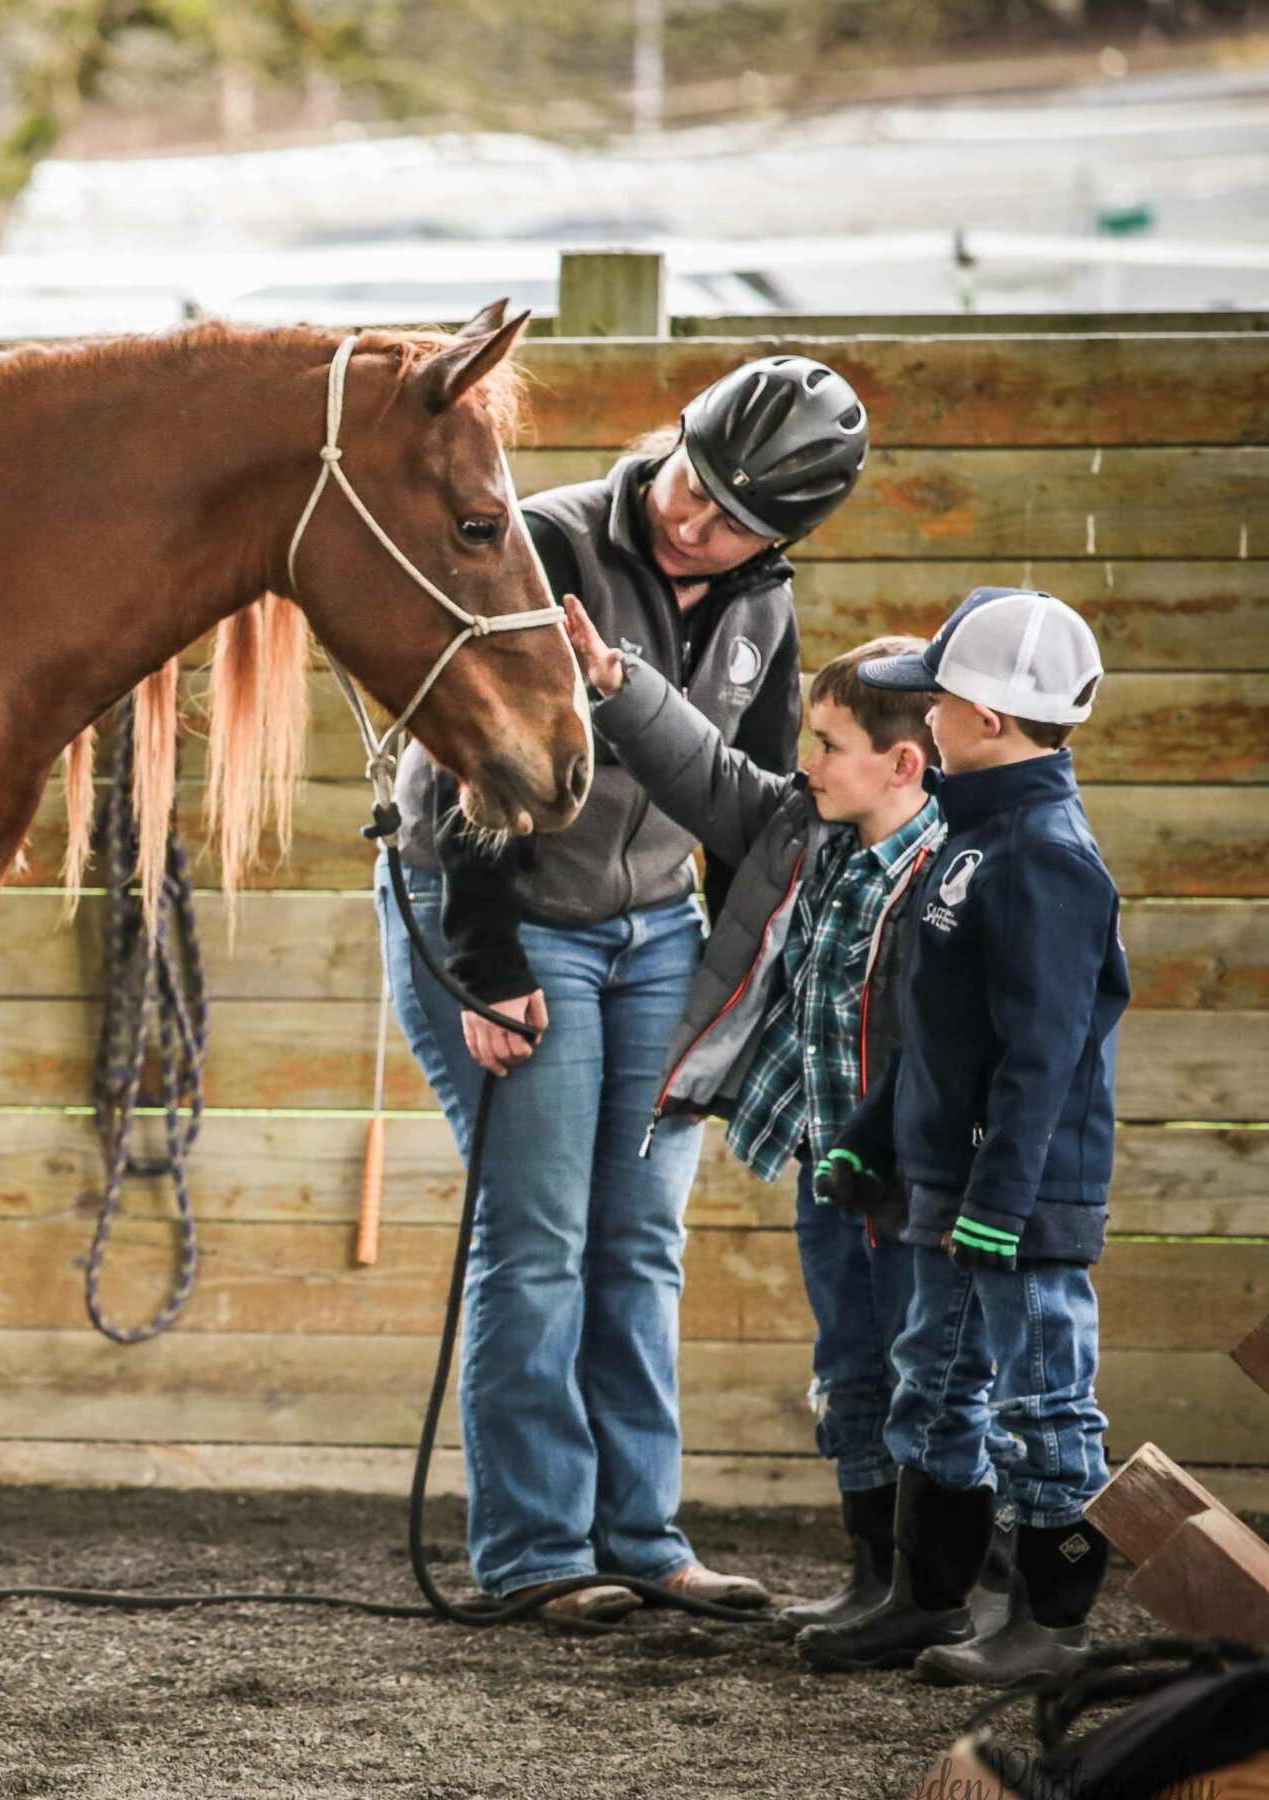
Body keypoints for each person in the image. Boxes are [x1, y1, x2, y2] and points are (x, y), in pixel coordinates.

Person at [377, 354, 869, 1621]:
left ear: (780, 539)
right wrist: (483, 969)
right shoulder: (543, 544)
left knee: (640, 1241)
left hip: (657, 934)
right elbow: (461, 757)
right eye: (691, 486)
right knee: (536, 1238)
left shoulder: (766, 612)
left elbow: (754, 817)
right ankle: (538, 1552)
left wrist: (740, 982)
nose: (690, 522)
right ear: (676, 442)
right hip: (508, 916)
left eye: (730, 522)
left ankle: (643, 1537)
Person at [557, 602, 992, 1641]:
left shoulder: (958, 873)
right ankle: (873, 1573)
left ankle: (940, 1590)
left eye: (828, 747)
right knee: (847, 1366)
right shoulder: (804, 832)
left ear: (903, 766)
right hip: (827, 1173)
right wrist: (619, 685)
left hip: (917, 1186)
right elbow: (703, 773)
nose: (806, 764)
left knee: (924, 1374)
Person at [797, 588, 1127, 1687]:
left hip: (1018, 1203)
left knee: (1043, 1400)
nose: (920, 720)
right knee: (930, 1390)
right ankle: (925, 1597)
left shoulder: (1045, 858)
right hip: (947, 1185)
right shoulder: (969, 841)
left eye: (932, 701)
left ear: (984, 719)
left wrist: (1002, 1201)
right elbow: (934, 1036)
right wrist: (869, 1137)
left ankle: (1053, 1622)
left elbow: (1042, 1056)